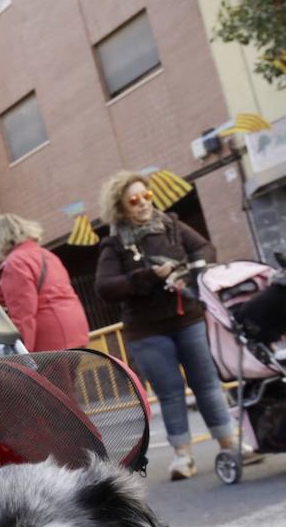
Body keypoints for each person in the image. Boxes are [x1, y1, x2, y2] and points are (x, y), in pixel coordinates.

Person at [94, 171, 259, 480]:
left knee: (207, 384)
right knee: (170, 393)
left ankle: (230, 443)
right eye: (134, 199)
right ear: (121, 206)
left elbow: (206, 249)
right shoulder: (114, 245)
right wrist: (146, 277)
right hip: (147, 330)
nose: (143, 204)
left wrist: (192, 270)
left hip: (189, 318)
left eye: (147, 196)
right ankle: (182, 456)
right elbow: (104, 287)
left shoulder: (171, 224)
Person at [0, 213, 90, 351]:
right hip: (75, 328)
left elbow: (23, 313)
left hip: (50, 337)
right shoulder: (47, 254)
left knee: (50, 373)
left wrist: (22, 354)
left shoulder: (15, 263)